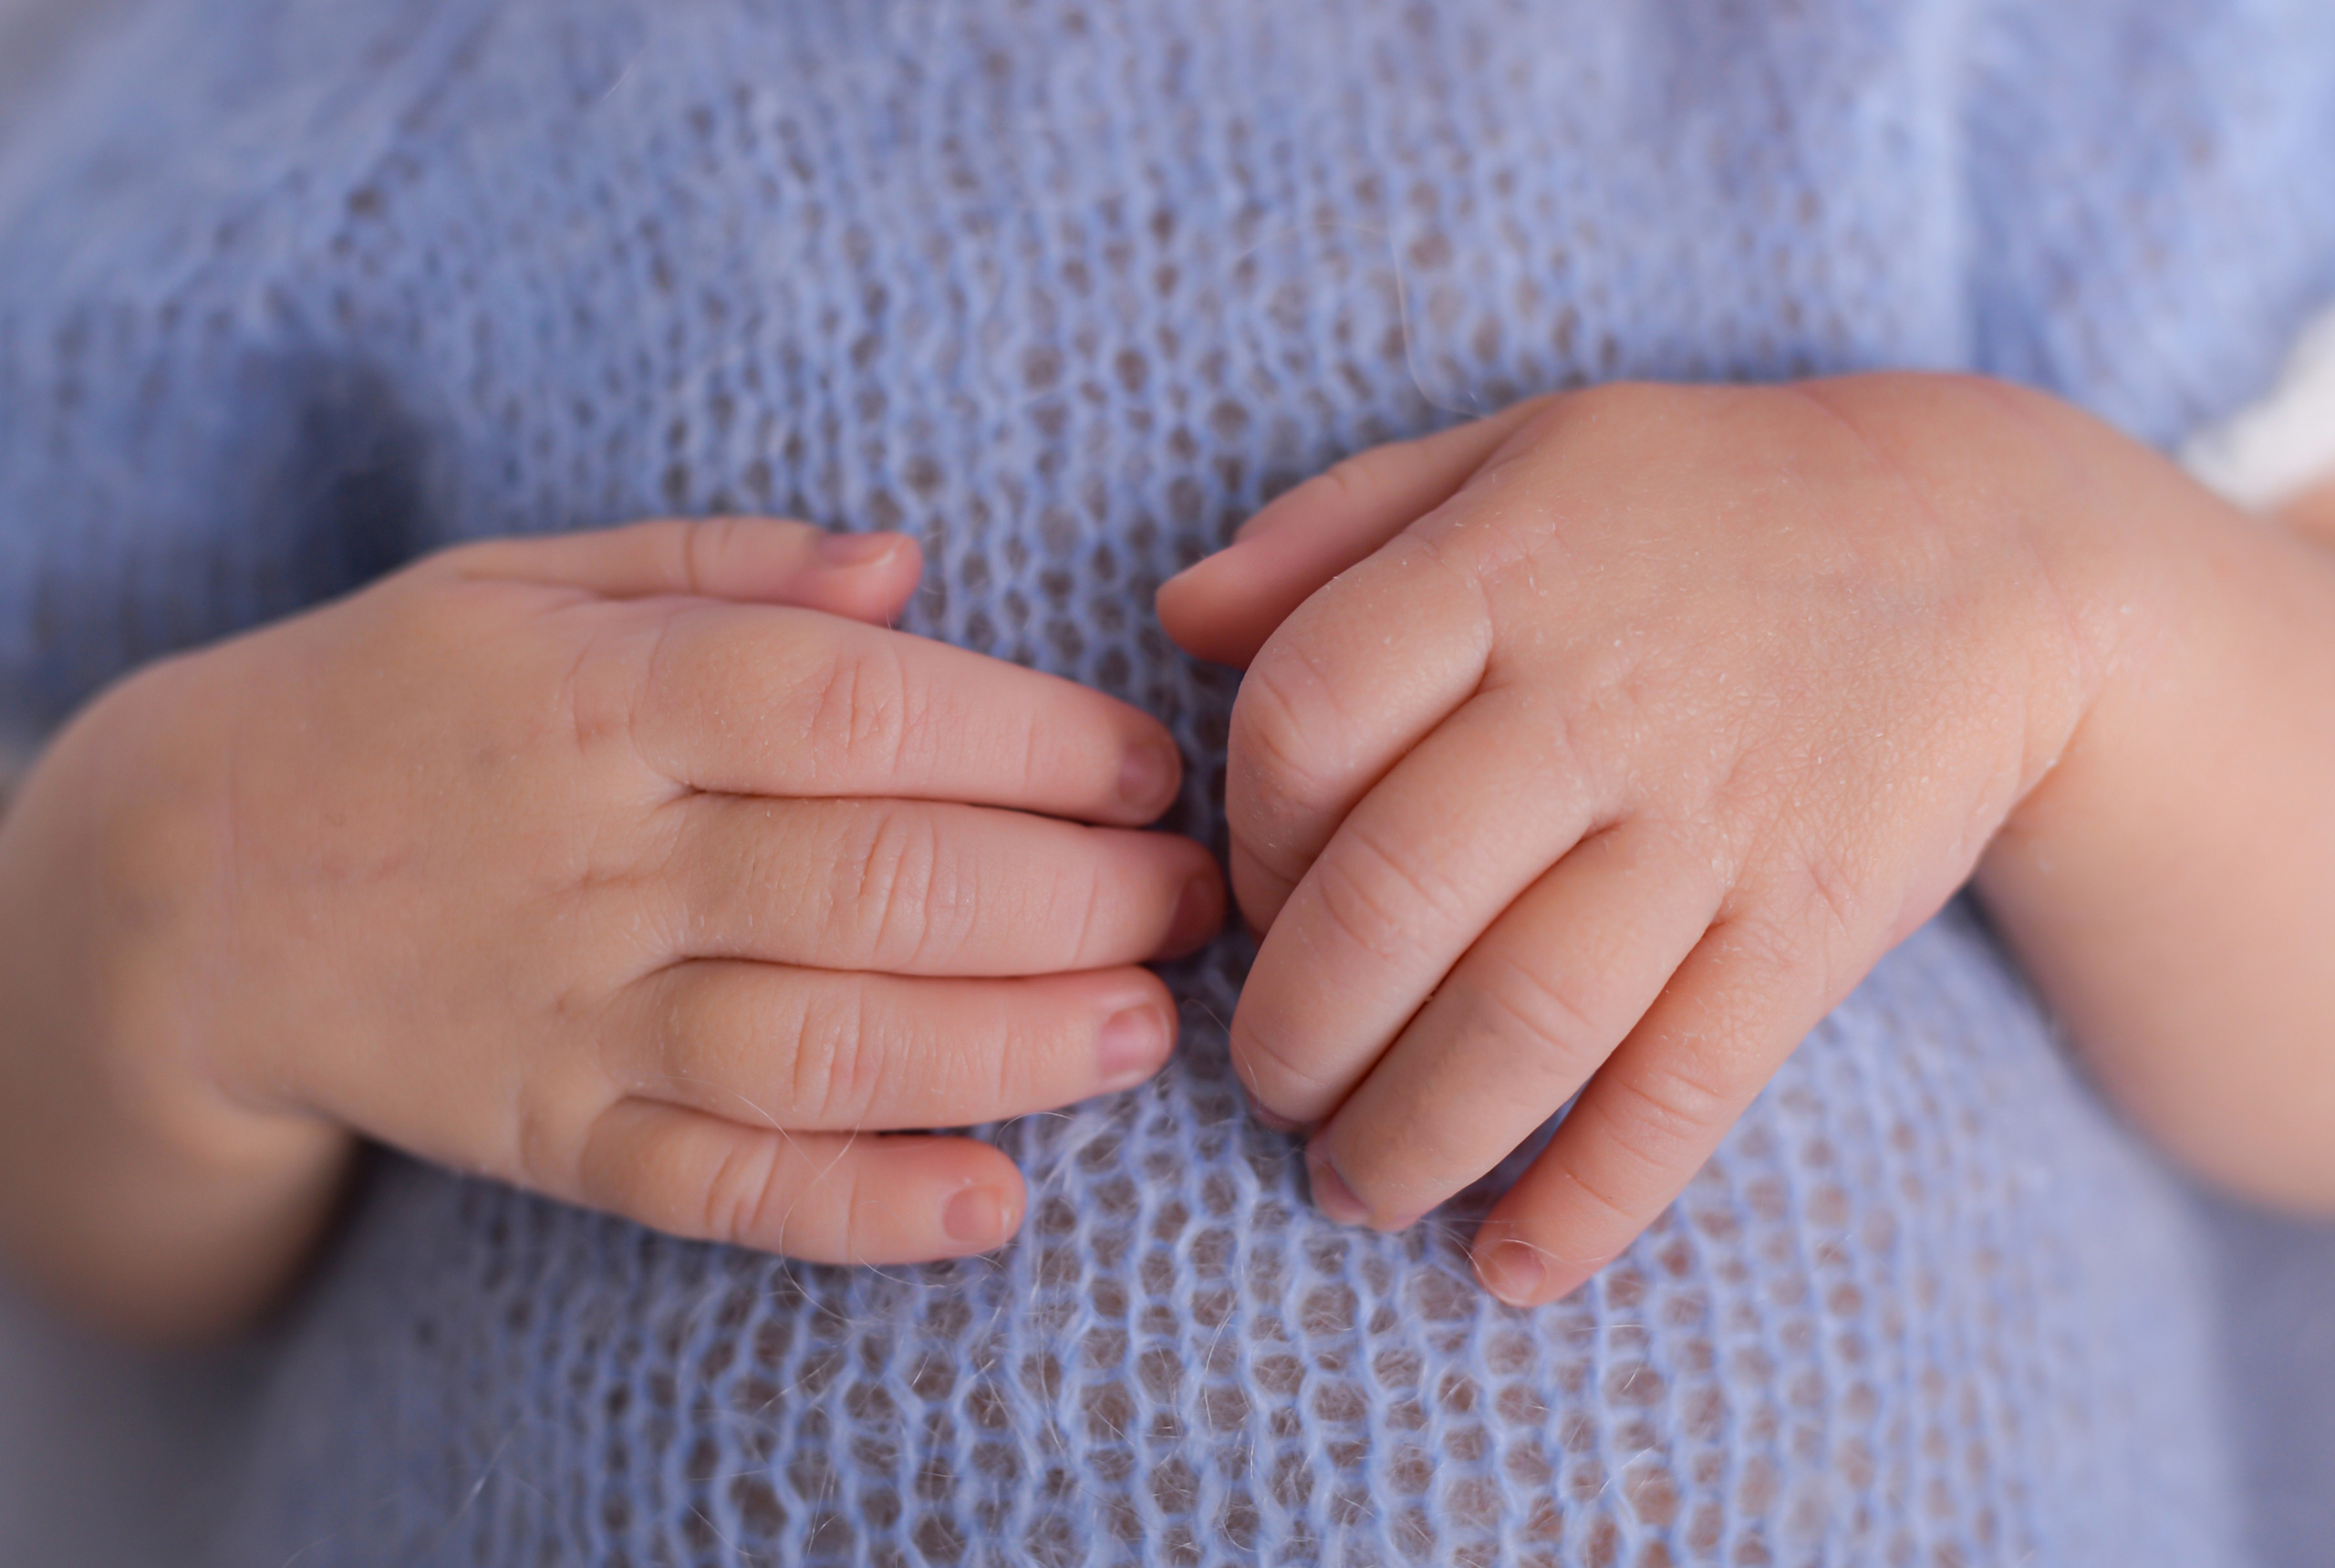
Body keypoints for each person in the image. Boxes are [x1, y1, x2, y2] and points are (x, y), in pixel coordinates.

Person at [0, 1, 2331, 1562]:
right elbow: (111, 1238)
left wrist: (2032, 583)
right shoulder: (348, 96)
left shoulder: (2030, 64)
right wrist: (191, 891)